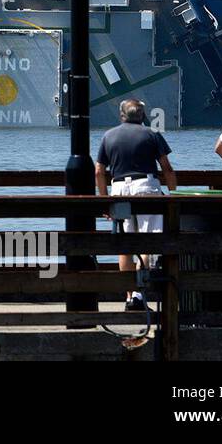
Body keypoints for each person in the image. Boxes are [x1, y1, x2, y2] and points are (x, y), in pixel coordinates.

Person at [94, 98, 176, 311]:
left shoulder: (108, 136)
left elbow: (98, 171)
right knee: (148, 241)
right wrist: (174, 194)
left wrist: (104, 200)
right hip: (146, 187)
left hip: (119, 189)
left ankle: (129, 295)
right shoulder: (152, 134)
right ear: (142, 115)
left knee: (125, 244)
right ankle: (140, 293)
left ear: (122, 115)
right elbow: (166, 168)